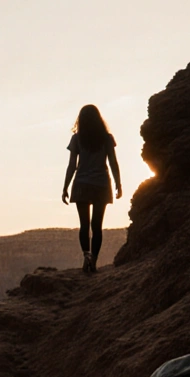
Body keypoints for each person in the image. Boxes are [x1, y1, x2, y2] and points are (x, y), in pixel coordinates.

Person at [61, 104, 123, 272]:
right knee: (97, 226)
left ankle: (86, 255)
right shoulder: (107, 139)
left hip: (81, 184)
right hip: (101, 184)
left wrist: (65, 187)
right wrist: (118, 183)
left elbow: (72, 166)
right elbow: (113, 163)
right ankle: (94, 260)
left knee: (84, 224)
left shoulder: (77, 139)